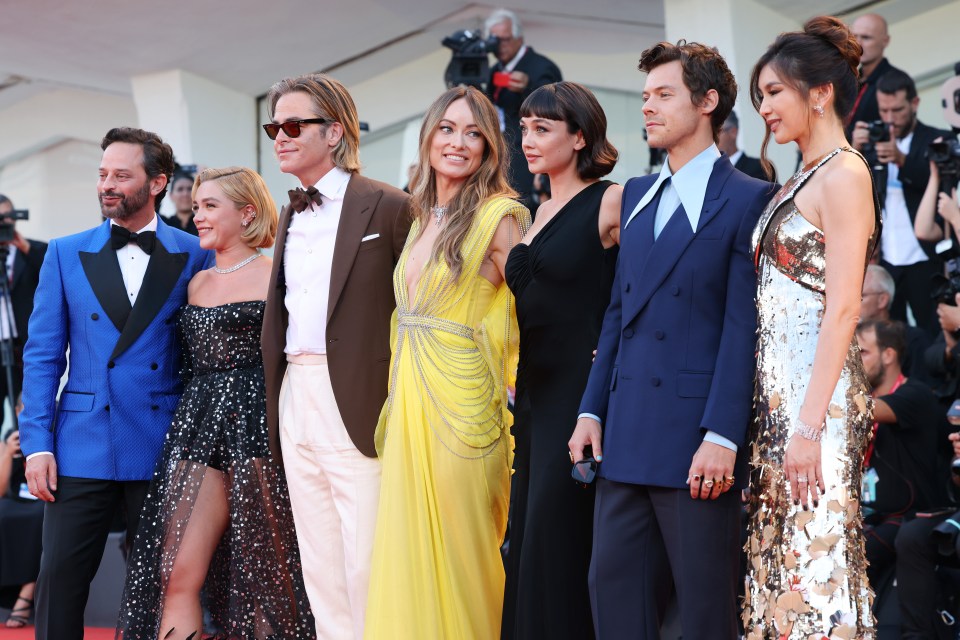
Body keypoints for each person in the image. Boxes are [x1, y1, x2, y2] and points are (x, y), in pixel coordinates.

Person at [570, 40, 775, 638]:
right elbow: (618, 313)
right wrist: (590, 408)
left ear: (708, 102)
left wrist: (722, 435)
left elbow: (744, 328)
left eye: (664, 95)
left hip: (696, 446)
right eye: (645, 97)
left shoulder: (749, 197)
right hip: (626, 433)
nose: (648, 109)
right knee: (614, 604)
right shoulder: (634, 194)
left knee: (705, 612)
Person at [17, 127, 208, 640]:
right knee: (59, 580)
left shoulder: (196, 254)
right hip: (80, 442)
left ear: (158, 183)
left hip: (161, 440)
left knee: (162, 582)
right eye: (103, 174)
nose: (108, 185)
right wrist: (36, 445)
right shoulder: (63, 252)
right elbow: (41, 357)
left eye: (122, 175)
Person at [116, 167, 314, 639]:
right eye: (198, 205)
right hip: (197, 429)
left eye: (210, 206)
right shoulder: (196, 284)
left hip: (259, 429)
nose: (198, 215)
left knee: (268, 574)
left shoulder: (278, 275)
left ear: (247, 213)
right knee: (175, 568)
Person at [364, 85, 529, 639]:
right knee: (407, 552)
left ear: (489, 147)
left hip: (464, 415)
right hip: (409, 408)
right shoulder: (419, 219)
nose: (459, 143)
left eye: (474, 132)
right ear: (429, 137)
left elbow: (538, 313)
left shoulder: (499, 216)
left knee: (465, 559)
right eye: (448, 129)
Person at [260, 73, 411, 640]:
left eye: (294, 125)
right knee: (318, 557)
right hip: (295, 394)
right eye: (275, 126)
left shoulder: (391, 205)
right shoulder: (289, 212)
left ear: (336, 132)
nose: (281, 136)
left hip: (360, 395)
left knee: (366, 554)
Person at [744, 16, 882, 639]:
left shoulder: (846, 174)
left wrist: (807, 425)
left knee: (816, 568)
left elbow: (845, 309)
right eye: (761, 96)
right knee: (778, 575)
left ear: (819, 92)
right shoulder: (796, 177)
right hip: (779, 409)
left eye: (774, 92)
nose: (765, 108)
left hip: (815, 411)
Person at [500, 81, 621, 640]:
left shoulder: (611, 199)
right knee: (525, 540)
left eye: (542, 128)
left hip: (579, 392)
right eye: (524, 128)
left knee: (555, 542)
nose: (528, 140)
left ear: (579, 136)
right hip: (531, 396)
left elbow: (635, 294)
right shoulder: (536, 210)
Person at [856, 319, 947, 589]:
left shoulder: (916, 395)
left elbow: (864, 410)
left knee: (851, 557)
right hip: (867, 516)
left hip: (905, 519)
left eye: (862, 352)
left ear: (888, 354)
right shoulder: (866, 396)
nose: (854, 361)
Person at [859, 70, 951, 334]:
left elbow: (944, 183)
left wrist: (902, 160)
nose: (889, 119)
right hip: (887, 257)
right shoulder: (873, 143)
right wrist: (854, 151)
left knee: (934, 331)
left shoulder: (937, 140)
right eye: (883, 111)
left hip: (926, 255)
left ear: (914, 104)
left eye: (897, 110)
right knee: (890, 335)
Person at [485, 8, 562, 204]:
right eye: (494, 41)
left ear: (519, 38)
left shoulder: (541, 67)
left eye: (505, 39)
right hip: (502, 160)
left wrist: (528, 88)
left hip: (528, 165)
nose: (499, 46)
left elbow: (553, 114)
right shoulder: (494, 70)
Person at [0, 195, 47, 427]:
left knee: (28, 411)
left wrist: (25, 248)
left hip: (24, 349)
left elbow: (54, 274)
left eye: (7, 217)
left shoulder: (34, 251)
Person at [0, 399, 43, 629]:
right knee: (2, 515)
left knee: (40, 519)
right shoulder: (9, 435)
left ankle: (25, 595)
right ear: (17, 411)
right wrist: (7, 453)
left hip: (45, 499)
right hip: (17, 500)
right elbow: (0, 490)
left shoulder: (53, 431)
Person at [860, 264, 932, 384]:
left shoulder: (914, 340)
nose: (853, 301)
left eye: (861, 296)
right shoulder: (847, 338)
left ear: (882, 300)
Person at [847, 13, 903, 139]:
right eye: (855, 37)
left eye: (866, 38)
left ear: (885, 41)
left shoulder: (895, 80)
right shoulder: (848, 78)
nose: (858, 44)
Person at [718, 111, 768, 180]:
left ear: (733, 132)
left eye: (716, 132)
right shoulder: (710, 172)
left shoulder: (760, 168)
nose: (711, 139)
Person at [161, 170, 199, 235]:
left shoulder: (204, 224)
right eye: (180, 189)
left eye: (190, 189)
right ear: (171, 195)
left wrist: (205, 180)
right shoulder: (163, 224)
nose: (185, 194)